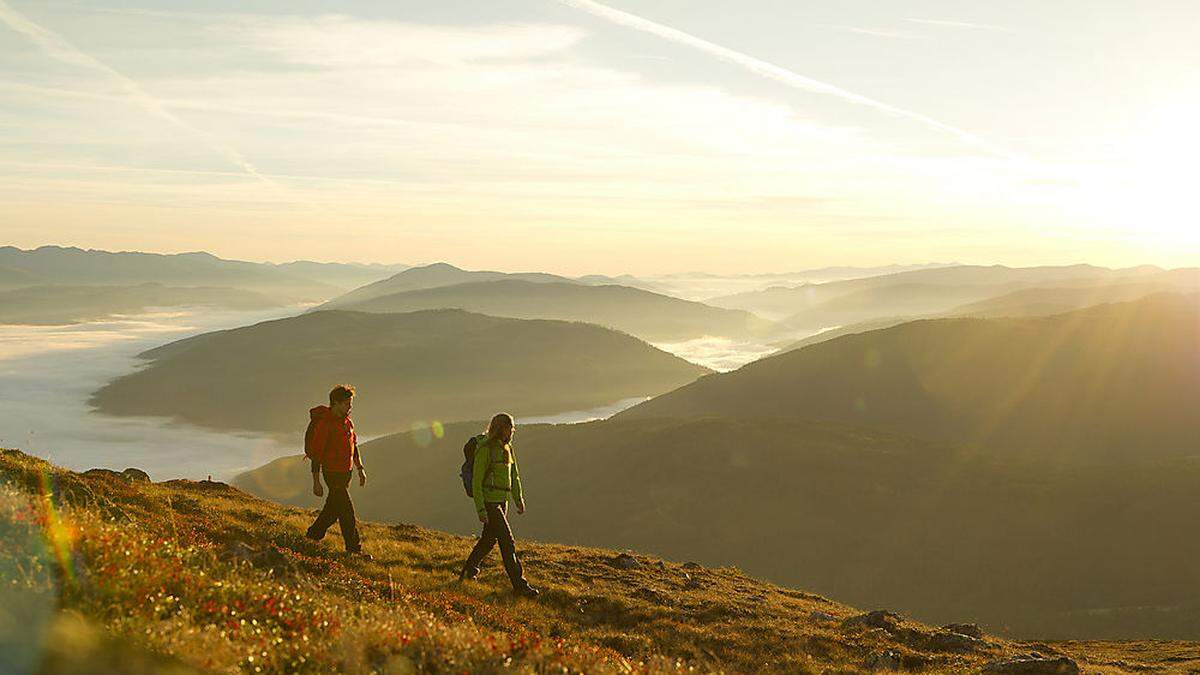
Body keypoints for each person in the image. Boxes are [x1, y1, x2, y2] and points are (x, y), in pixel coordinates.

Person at [459, 413, 539, 597]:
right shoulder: (485, 449)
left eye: (512, 427)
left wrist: (518, 499)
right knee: (507, 542)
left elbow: (514, 476)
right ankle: (520, 585)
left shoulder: (507, 448)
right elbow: (477, 481)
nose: (512, 430)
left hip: (502, 501)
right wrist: (480, 508)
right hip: (489, 502)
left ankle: (468, 572)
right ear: (501, 428)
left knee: (488, 540)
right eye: (509, 427)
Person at [305, 384, 369, 557]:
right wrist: (316, 482)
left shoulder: (348, 423)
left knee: (332, 511)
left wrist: (360, 469)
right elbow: (317, 455)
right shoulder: (325, 425)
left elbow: (353, 447)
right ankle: (354, 550)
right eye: (347, 403)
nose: (350, 406)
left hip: (345, 473)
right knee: (347, 511)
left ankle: (312, 535)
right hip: (332, 474)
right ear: (336, 403)